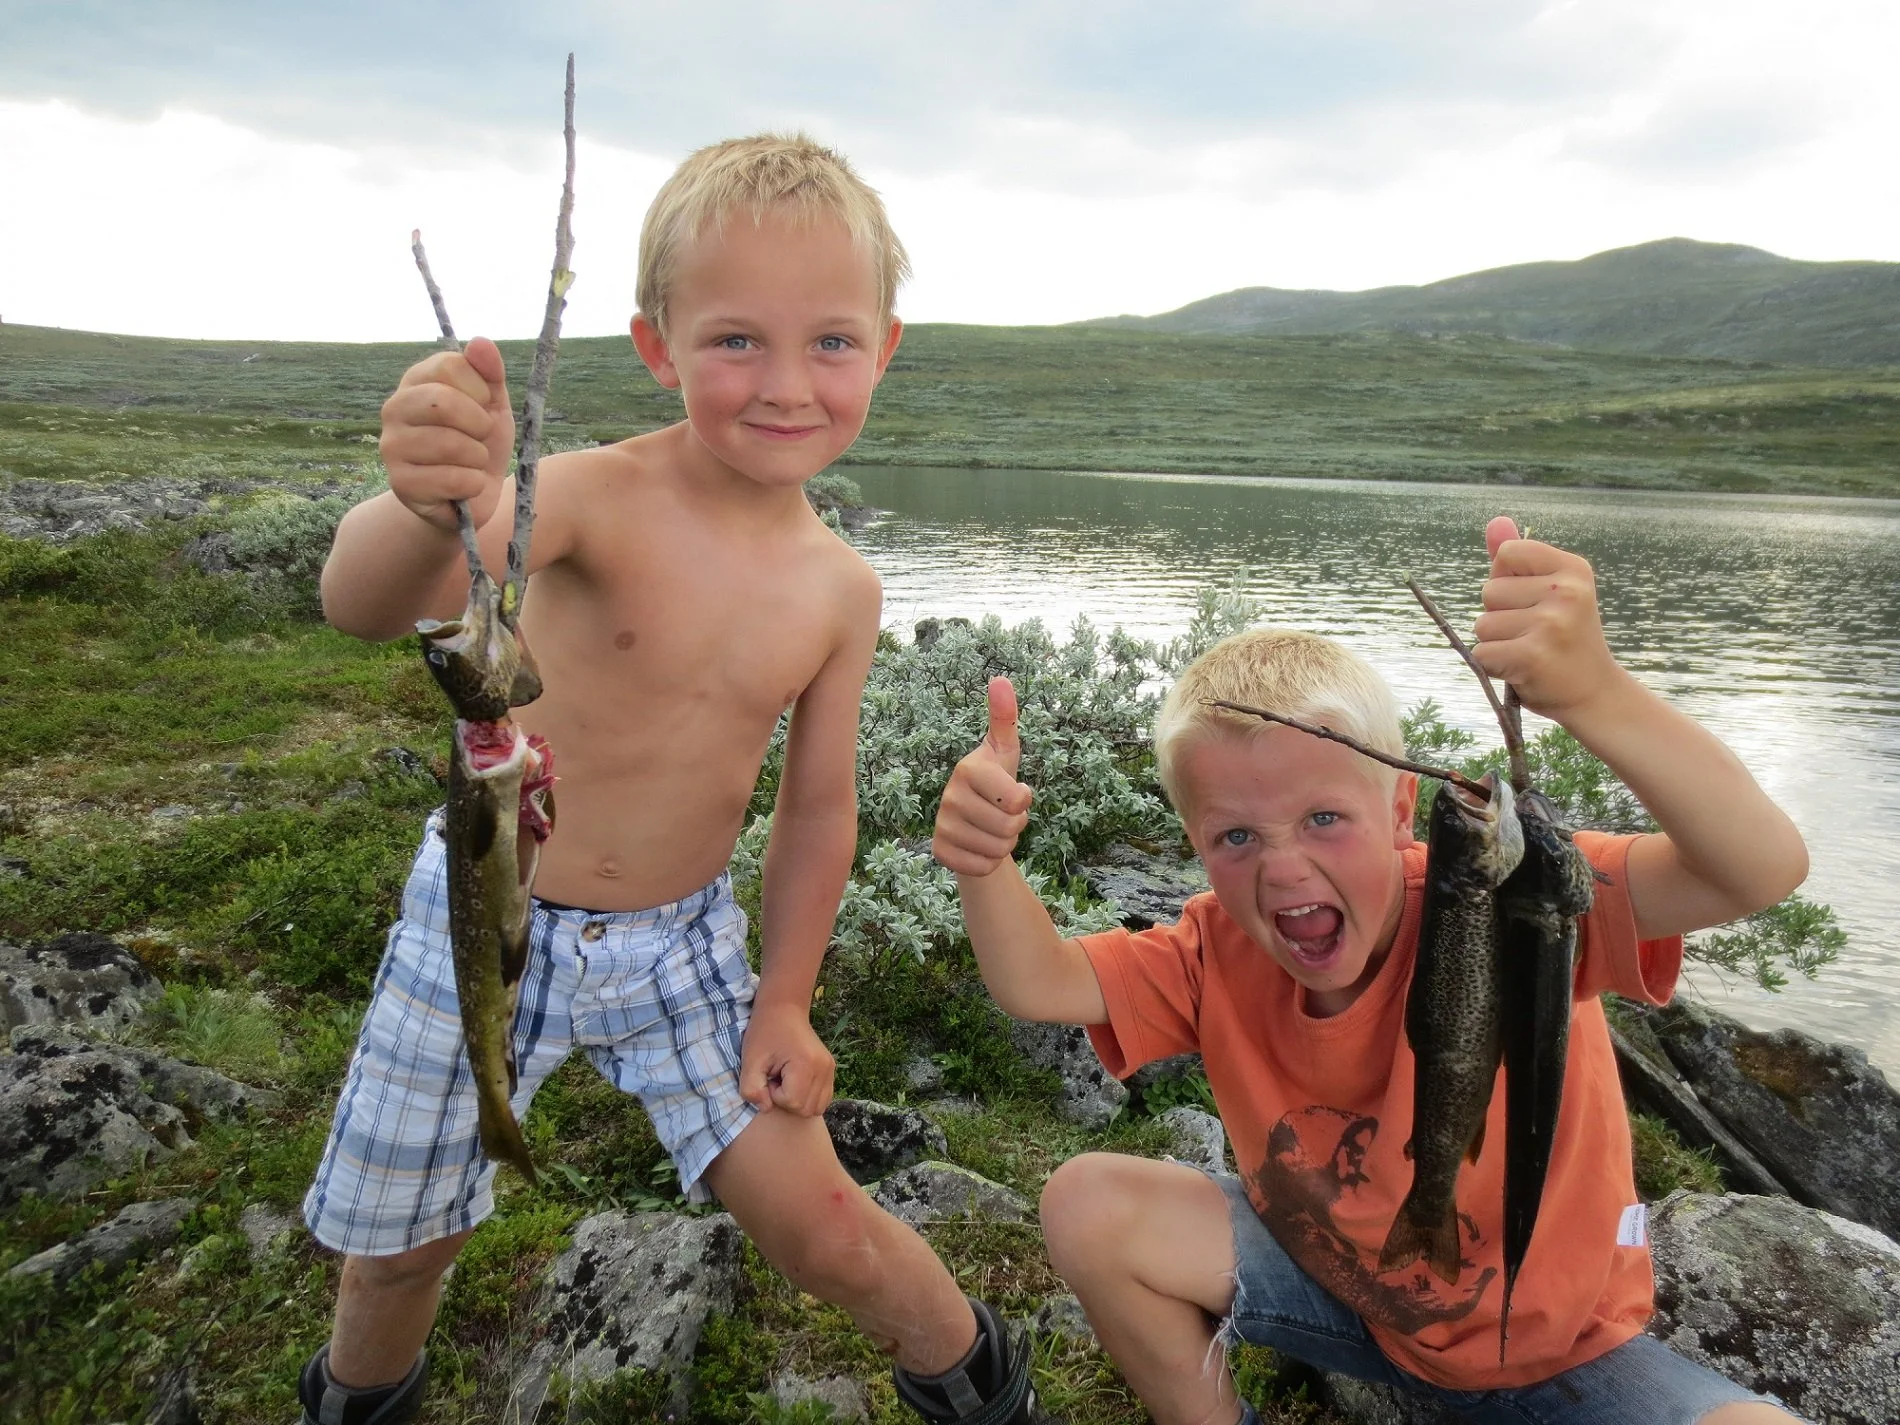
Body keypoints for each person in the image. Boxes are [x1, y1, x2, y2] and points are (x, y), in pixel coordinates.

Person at [298, 134, 1034, 1425]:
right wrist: (420, 501)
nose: (787, 383)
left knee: (830, 1233)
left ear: (887, 348)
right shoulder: (582, 495)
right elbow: (366, 602)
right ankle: (356, 1404)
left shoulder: (841, 587)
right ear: (658, 346)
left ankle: (983, 1389)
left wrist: (788, 1004)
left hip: (687, 951)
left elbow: (817, 808)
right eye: (737, 340)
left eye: (832, 342)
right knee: (397, 1251)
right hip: (479, 925)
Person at [932, 517, 1810, 1425]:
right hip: (1355, 1304)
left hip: (1568, 1352)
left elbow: (1756, 867)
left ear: (1401, 805)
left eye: (1323, 819)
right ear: (1194, 843)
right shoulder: (1212, 951)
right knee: (1088, 1203)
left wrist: (1598, 696)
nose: (1283, 868)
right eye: (1236, 836)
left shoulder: (1509, 897)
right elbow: (1035, 981)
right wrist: (983, 864)